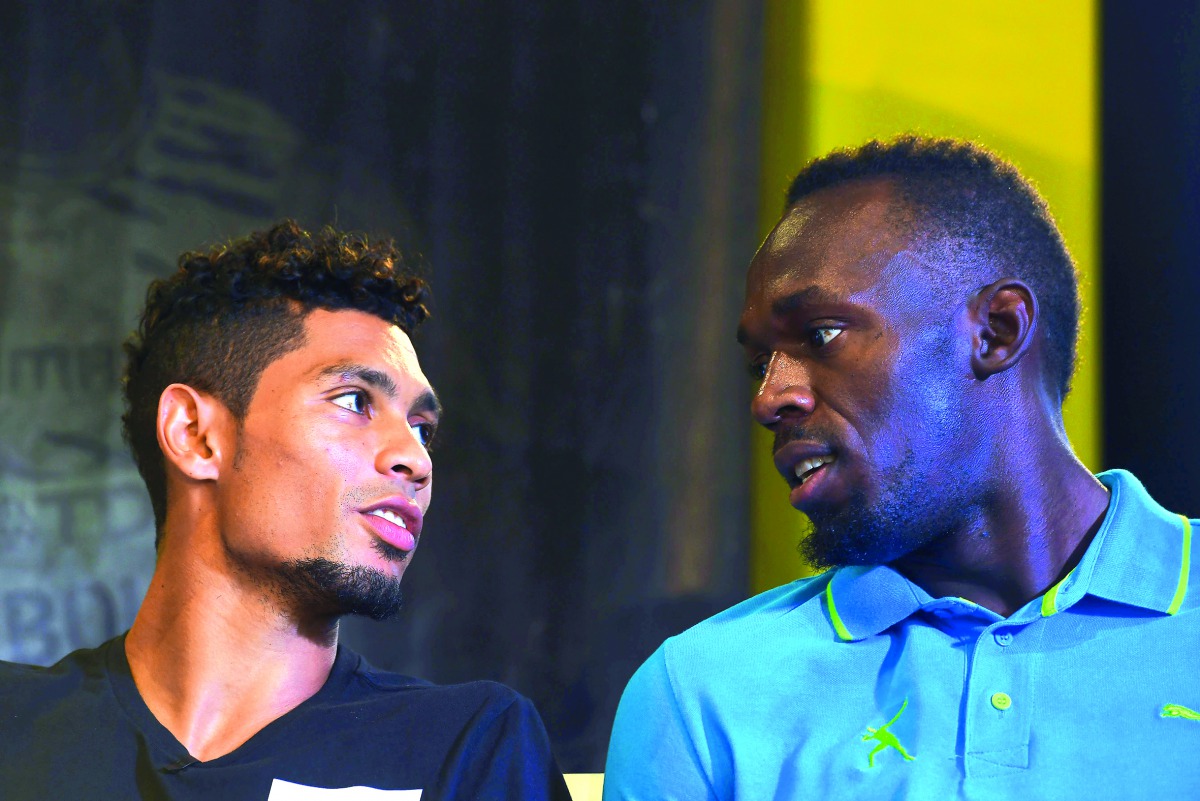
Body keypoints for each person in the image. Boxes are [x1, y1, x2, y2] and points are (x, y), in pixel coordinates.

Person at [603, 136, 1200, 798]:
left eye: (821, 334)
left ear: (996, 331)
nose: (769, 398)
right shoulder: (702, 695)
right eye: (759, 364)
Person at [0, 221, 571, 800]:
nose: (414, 460)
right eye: (354, 401)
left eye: (422, 429)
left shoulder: (468, 743)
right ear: (197, 436)